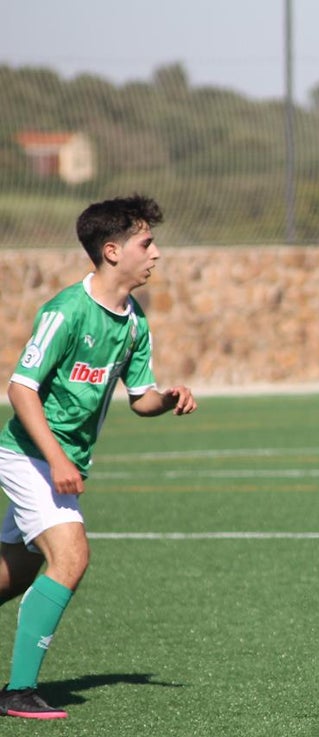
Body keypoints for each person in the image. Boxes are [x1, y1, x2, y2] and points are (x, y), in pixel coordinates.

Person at [0, 194, 197, 720]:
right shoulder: (66, 312)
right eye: (146, 243)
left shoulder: (133, 321)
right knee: (70, 556)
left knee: (15, 573)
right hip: (27, 454)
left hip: (58, 461)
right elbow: (21, 390)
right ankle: (17, 692)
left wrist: (167, 397)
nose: (156, 253)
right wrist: (58, 460)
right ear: (112, 251)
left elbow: (140, 399)